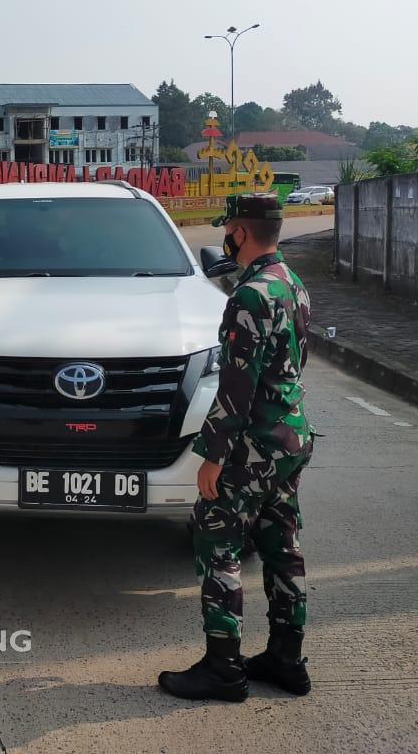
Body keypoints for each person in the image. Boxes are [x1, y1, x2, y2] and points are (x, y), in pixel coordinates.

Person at [159, 193, 315, 703]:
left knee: (218, 546)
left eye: (228, 227)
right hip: (289, 439)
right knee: (281, 548)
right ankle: (286, 660)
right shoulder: (293, 285)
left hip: (250, 447)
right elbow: (297, 364)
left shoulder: (249, 297)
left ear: (241, 234)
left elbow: (236, 387)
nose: (225, 235)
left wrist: (214, 453)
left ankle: (223, 669)